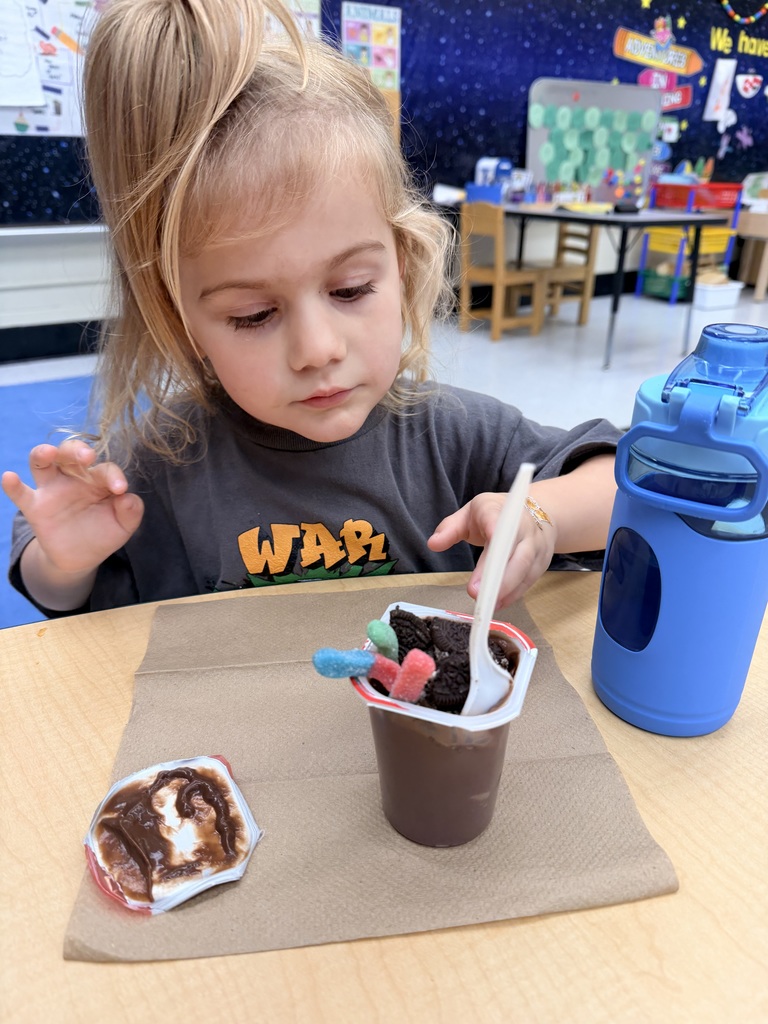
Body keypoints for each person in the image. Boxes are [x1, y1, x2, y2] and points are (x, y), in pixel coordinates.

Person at [2, 0, 620, 620]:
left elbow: (623, 483)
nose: (318, 349)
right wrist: (66, 561)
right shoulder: (160, 462)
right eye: (252, 315)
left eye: (350, 289)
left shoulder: (454, 437)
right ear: (180, 317)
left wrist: (541, 516)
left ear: (401, 265)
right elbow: (65, 601)